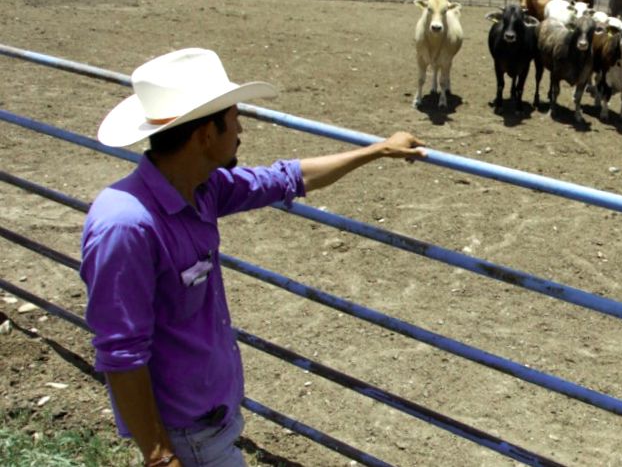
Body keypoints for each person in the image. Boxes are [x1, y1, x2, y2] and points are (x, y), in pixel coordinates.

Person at [80, 48, 425, 467]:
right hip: (185, 437)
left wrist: (377, 151)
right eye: (234, 116)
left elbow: (286, 178)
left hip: (210, 420)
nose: (241, 127)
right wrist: (158, 455)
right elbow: (121, 353)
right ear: (206, 134)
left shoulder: (202, 187)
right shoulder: (126, 226)